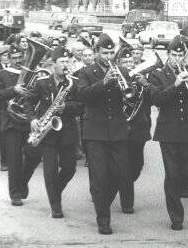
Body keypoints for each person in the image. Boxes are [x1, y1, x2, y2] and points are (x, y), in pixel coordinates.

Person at [75, 34, 132, 235]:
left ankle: (102, 203)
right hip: (95, 132)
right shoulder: (86, 72)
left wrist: (126, 84)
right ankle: (103, 219)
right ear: (97, 52)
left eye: (111, 52)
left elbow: (130, 95)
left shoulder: (123, 70)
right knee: (99, 177)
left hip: (117, 130)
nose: (109, 56)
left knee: (122, 174)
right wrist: (104, 82)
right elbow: (82, 95)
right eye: (105, 53)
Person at [148, 36, 188, 231]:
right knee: (172, 175)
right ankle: (176, 216)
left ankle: (183, 182)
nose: (177, 59)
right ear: (168, 55)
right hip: (169, 131)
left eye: (181, 55)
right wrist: (176, 84)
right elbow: (157, 99)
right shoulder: (158, 75)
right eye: (174, 55)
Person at [22, 48, 82, 218]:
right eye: (62, 62)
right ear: (53, 64)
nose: (66, 65)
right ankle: (56, 206)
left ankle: (55, 191)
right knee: (50, 171)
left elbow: (82, 106)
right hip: (47, 133)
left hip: (67, 132)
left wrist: (67, 107)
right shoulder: (42, 83)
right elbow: (28, 101)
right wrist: (32, 118)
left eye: (68, 61)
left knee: (70, 169)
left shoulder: (74, 83)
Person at [0, 46, 36, 206]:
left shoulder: (32, 73)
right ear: (9, 59)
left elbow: (37, 94)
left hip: (28, 120)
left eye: (20, 57)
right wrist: (14, 90)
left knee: (34, 154)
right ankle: (15, 194)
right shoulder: (1, 74)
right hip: (11, 122)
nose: (18, 61)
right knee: (14, 159)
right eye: (15, 58)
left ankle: (22, 182)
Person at [117, 43, 153, 214]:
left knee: (137, 165)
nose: (130, 65)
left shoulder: (141, 79)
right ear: (119, 65)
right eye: (125, 63)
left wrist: (145, 84)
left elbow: (155, 99)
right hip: (120, 130)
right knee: (124, 166)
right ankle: (127, 202)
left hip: (138, 129)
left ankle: (122, 183)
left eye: (131, 62)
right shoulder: (115, 81)